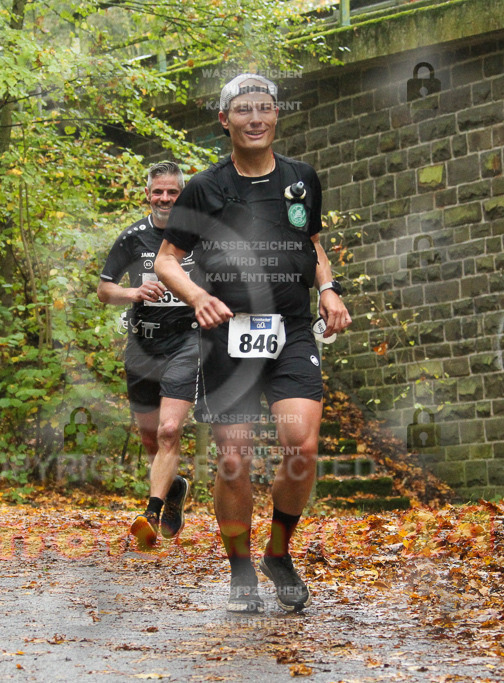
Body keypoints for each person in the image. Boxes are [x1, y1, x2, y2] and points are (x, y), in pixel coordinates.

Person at [154, 74, 352, 613]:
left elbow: (311, 243)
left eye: (264, 108)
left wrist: (329, 290)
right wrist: (196, 297)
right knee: (235, 459)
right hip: (226, 335)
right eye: (244, 110)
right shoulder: (204, 188)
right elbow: (167, 259)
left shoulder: (302, 178)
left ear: (276, 115)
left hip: (288, 329)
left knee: (302, 447)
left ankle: (279, 553)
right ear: (226, 120)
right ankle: (241, 568)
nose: (255, 118)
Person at [98, 161, 197, 549]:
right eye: (159, 191)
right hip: (142, 345)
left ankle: (151, 514)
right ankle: (175, 489)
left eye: (173, 192)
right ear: (147, 195)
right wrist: (132, 293)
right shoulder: (133, 237)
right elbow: (105, 289)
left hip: (188, 344)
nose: (165, 198)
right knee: (150, 439)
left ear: (182, 195)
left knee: (169, 430)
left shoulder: (198, 237)